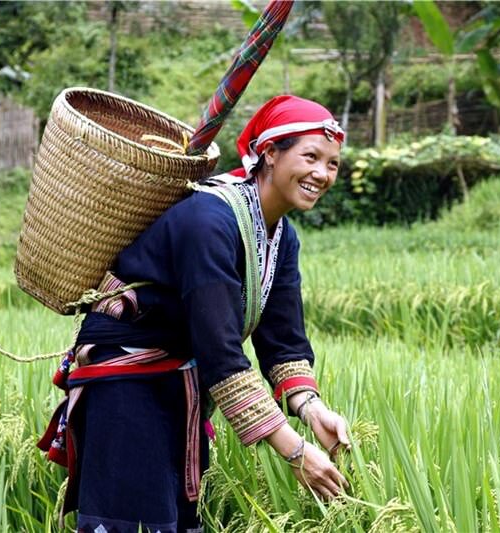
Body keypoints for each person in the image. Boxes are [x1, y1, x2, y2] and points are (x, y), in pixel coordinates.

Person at [38, 95, 351, 532]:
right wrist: (295, 452)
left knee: (178, 522)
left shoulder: (283, 237)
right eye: (311, 157)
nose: (322, 173)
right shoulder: (209, 220)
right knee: (132, 523)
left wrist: (312, 409)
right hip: (127, 381)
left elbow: (283, 342)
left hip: (180, 383)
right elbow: (220, 352)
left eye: (333, 164)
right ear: (270, 154)